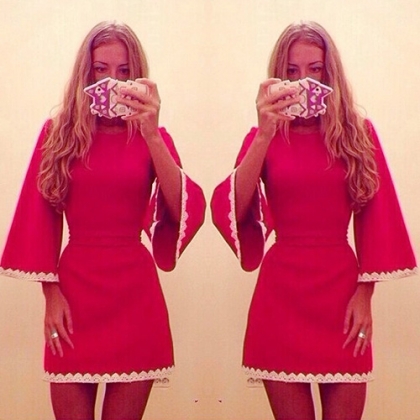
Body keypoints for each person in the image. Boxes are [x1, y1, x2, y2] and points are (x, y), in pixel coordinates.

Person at [211, 21, 416, 420]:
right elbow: (231, 211)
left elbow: (377, 216)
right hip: (280, 297)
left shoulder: (358, 134)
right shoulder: (262, 137)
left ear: (329, 72)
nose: (303, 80)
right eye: (291, 71)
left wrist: (365, 295)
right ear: (277, 76)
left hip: (341, 295)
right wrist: (264, 133)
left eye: (314, 69)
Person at [0, 21, 205, 420]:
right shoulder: (58, 134)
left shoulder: (153, 137)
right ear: (87, 73)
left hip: (136, 297)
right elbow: (39, 217)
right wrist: (50, 296)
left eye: (124, 71)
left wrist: (151, 133)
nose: (113, 80)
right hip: (74, 295)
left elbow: (185, 211)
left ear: (138, 76)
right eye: (102, 69)